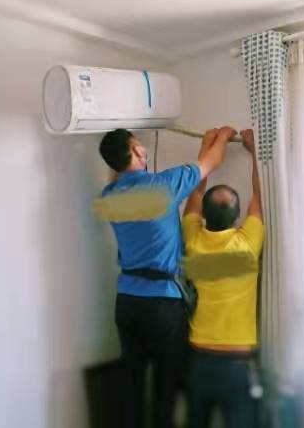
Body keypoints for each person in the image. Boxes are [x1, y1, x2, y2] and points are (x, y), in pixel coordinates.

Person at [98, 126, 237, 428]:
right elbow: (212, 162)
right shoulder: (164, 186)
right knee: (165, 395)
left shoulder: (108, 196)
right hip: (162, 306)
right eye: (139, 146)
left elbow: (119, 174)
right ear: (137, 151)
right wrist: (223, 135)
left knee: (132, 392)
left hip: (127, 304)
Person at [182, 129, 264, 428]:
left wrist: (208, 146)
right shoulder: (247, 245)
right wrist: (255, 151)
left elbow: (194, 193)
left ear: (203, 215)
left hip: (199, 360)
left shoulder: (193, 240)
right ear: (238, 216)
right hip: (237, 366)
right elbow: (260, 195)